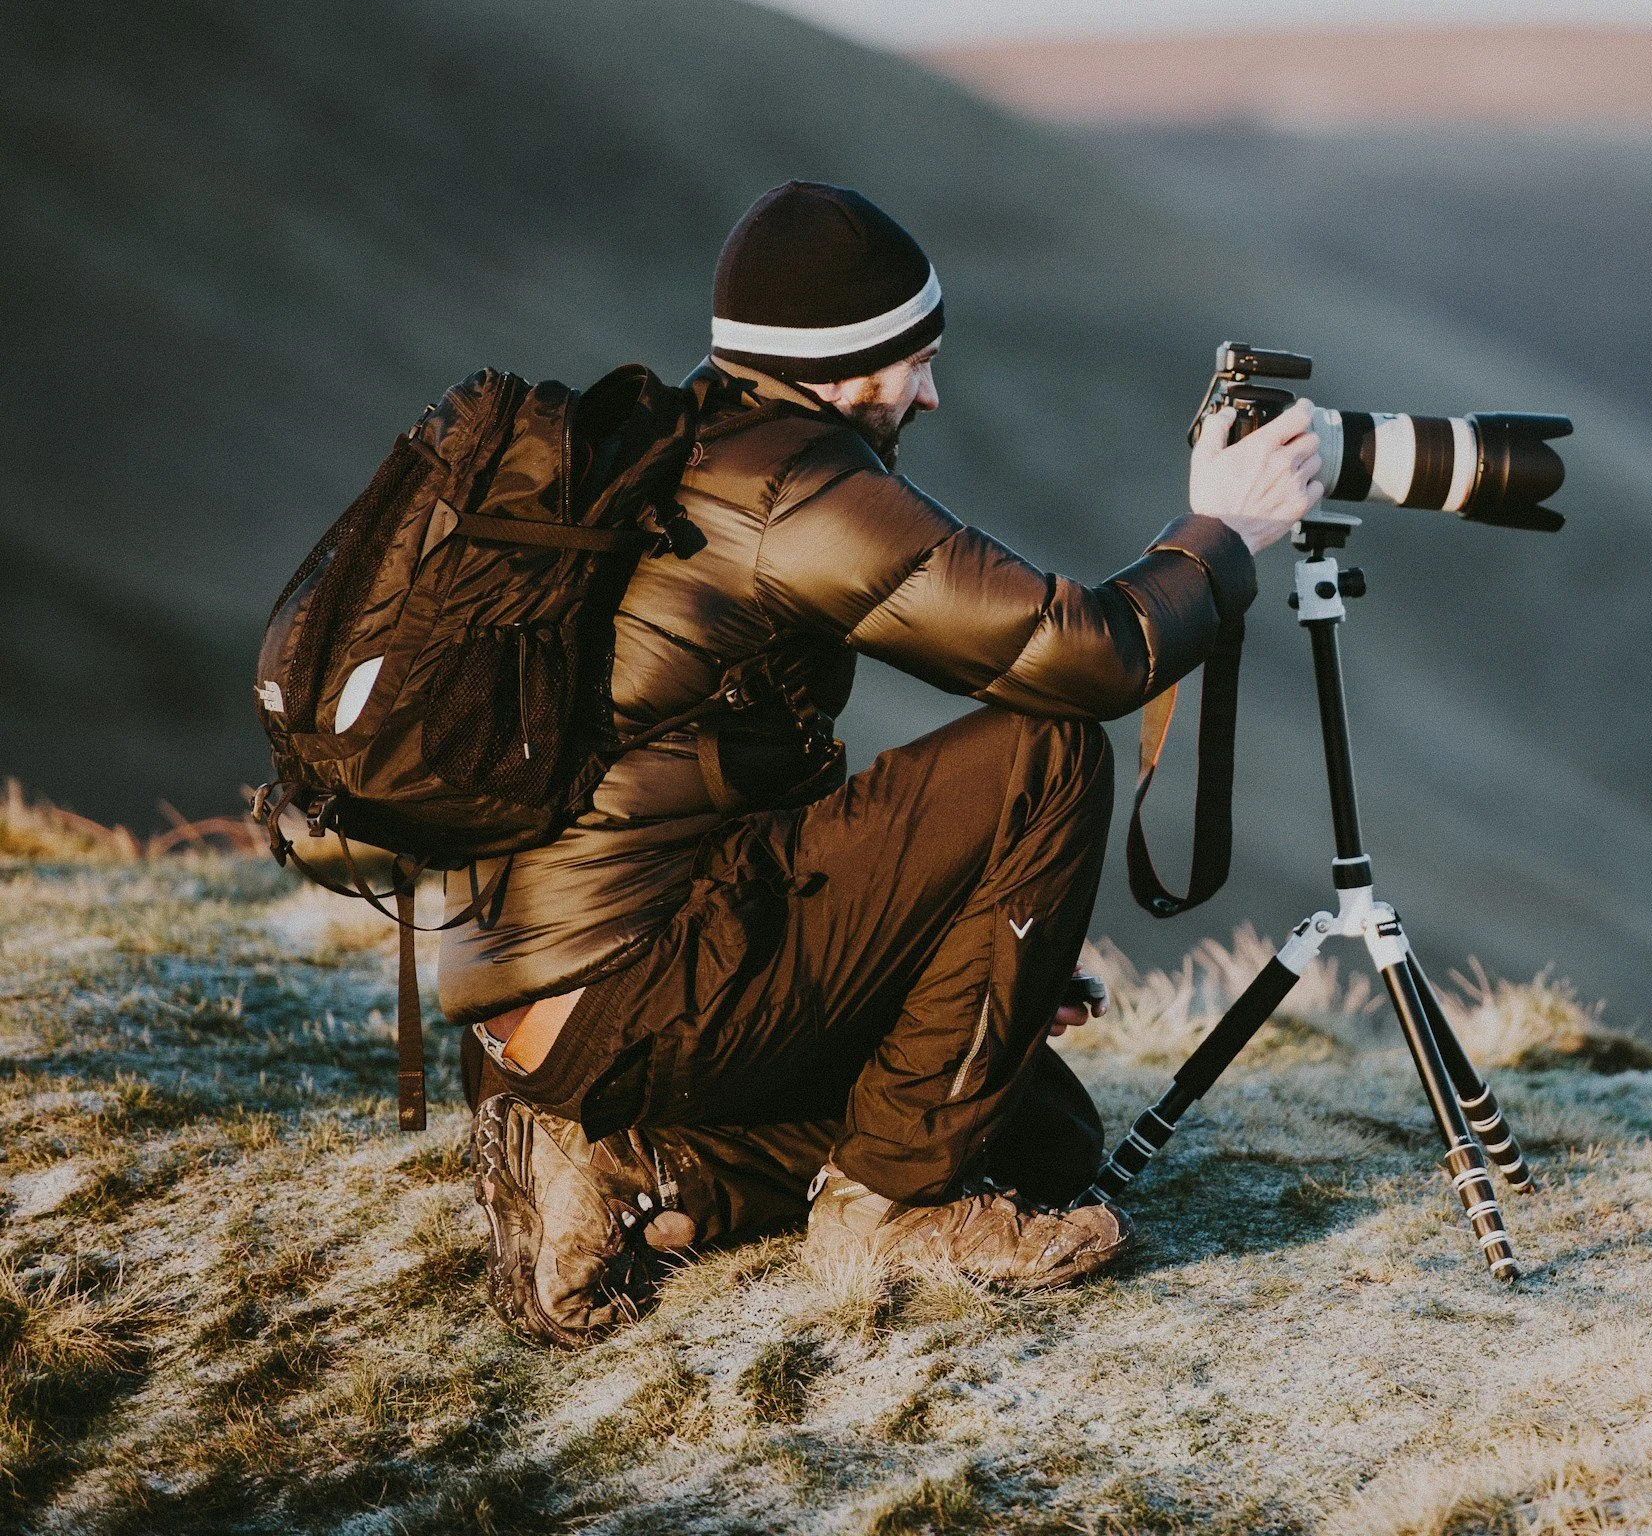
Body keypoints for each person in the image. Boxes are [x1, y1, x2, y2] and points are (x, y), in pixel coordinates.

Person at [444, 181, 1321, 1346]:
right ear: (849, 362)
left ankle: (631, 1171)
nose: (931, 390)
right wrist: (1221, 531)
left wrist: (950, 945)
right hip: (636, 988)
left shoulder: (677, 450)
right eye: (916, 359)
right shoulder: (792, 487)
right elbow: (1083, 655)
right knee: (1044, 753)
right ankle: (891, 1212)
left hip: (529, 1012)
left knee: (1038, 1128)